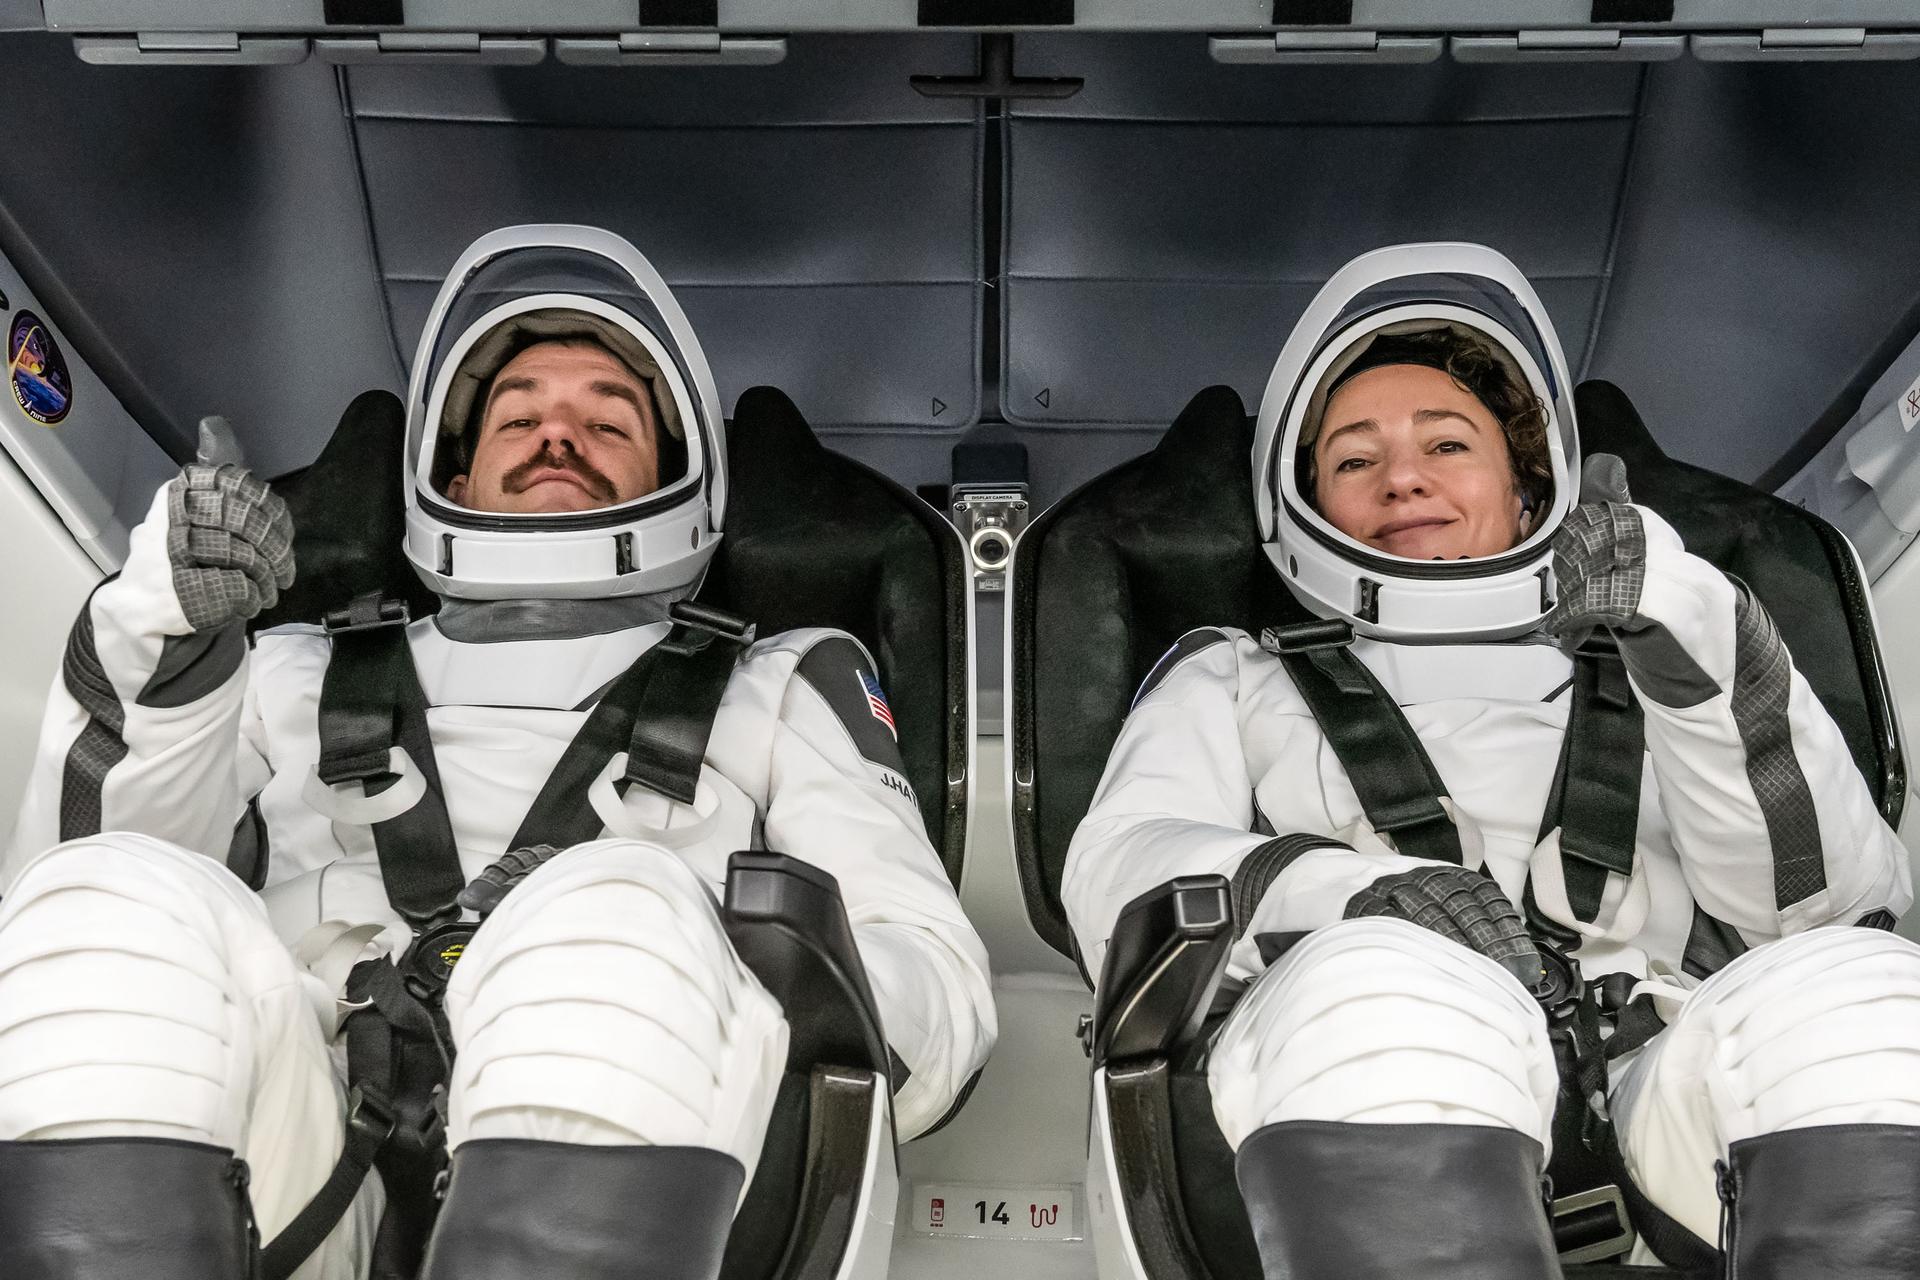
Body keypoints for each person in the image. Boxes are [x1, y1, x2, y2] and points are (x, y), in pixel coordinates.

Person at [0, 224, 996, 1280]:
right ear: (458, 475)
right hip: (307, 1156)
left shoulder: (783, 682)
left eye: (606, 420)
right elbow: (82, 879)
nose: (558, 436)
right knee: (112, 900)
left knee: (616, 912)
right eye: (521, 416)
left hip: (662, 1134)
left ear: (680, 474)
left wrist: (690, 943)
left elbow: (937, 993)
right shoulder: (282, 671)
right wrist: (166, 634)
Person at [1064, 242, 1920, 1279]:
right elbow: (1122, 867)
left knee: (1860, 998)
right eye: (1353, 458)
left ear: (1529, 487)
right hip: (1350, 1065)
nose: (1405, 475)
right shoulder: (1238, 675)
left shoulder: (1682, 645)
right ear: (1306, 513)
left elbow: (1825, 909)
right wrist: (1365, 896)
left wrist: (1689, 627)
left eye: (1447, 442)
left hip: (1657, 1079)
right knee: (1386, 995)